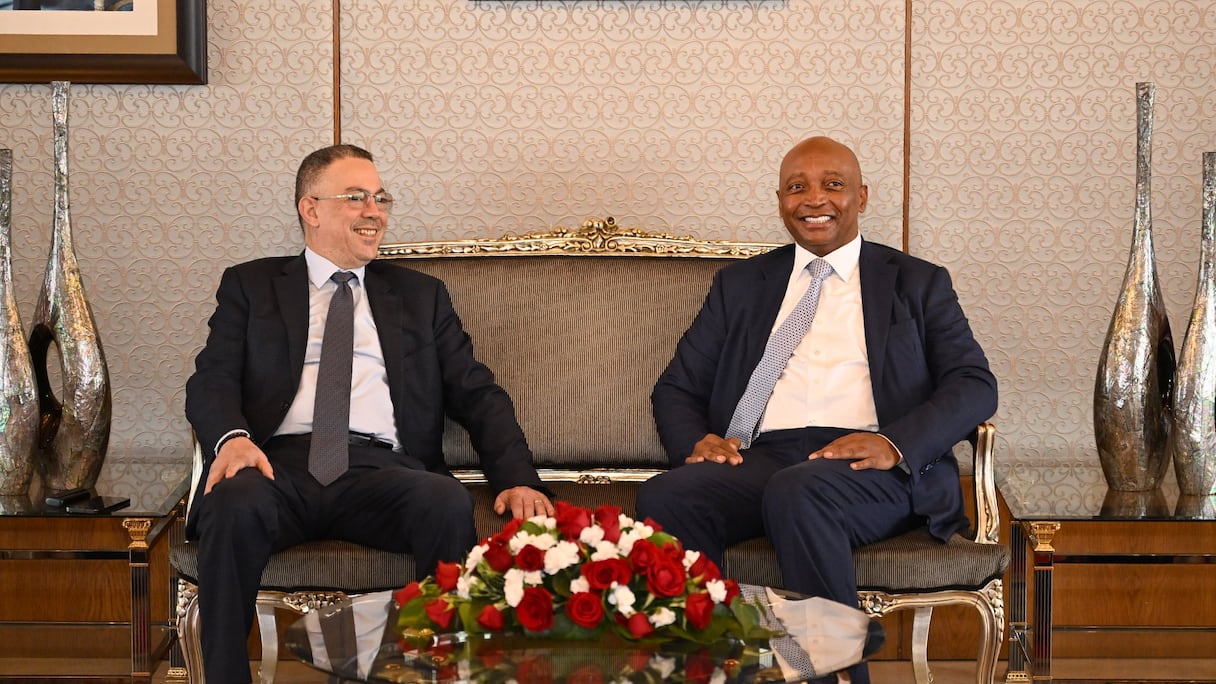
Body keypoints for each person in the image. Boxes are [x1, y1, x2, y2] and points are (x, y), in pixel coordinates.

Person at [184, 144, 553, 683]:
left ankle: (440, 673)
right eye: (356, 197)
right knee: (231, 501)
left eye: (381, 199)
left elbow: (477, 393)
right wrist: (233, 439)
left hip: (380, 470)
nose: (374, 211)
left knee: (444, 501)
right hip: (277, 466)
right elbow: (211, 378)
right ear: (310, 209)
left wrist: (516, 477)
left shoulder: (421, 296)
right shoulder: (252, 285)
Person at [636, 136, 997, 684]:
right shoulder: (741, 284)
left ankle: (833, 676)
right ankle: (715, 669)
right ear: (780, 200)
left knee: (801, 489)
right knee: (667, 495)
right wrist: (697, 441)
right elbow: (677, 387)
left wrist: (893, 443)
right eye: (796, 187)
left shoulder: (917, 281)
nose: (814, 199)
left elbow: (974, 384)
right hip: (763, 456)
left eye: (833, 185)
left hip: (873, 465)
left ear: (862, 196)